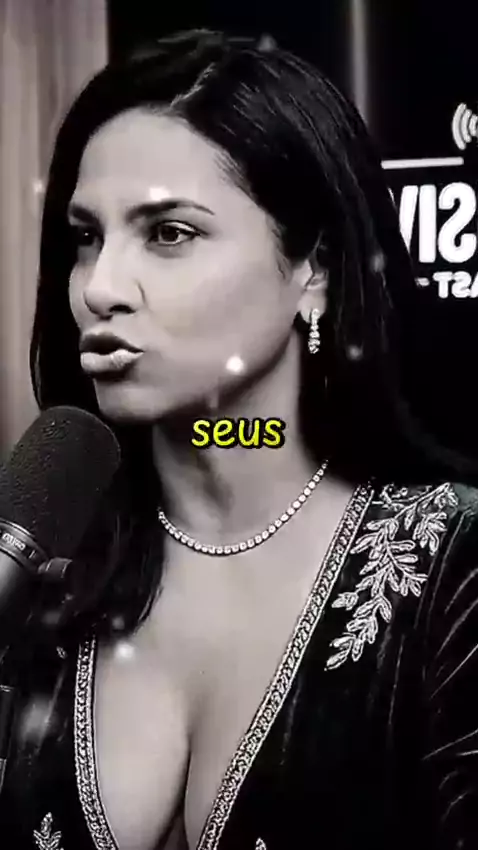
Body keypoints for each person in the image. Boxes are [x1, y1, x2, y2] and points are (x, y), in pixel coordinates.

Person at [1, 27, 478, 850]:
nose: (100, 288)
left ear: (314, 269)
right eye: (86, 238)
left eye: (168, 233)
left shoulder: (448, 564)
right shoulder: (46, 577)